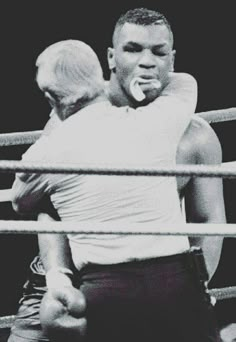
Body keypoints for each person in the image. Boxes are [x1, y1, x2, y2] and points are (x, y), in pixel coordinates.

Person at [8, 8, 224, 342]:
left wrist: (198, 287)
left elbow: (209, 220)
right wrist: (59, 280)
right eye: (133, 49)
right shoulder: (68, 123)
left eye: (158, 52)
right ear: (111, 57)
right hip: (64, 272)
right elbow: (46, 210)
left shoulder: (195, 137)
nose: (147, 61)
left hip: (154, 279)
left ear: (172, 59)